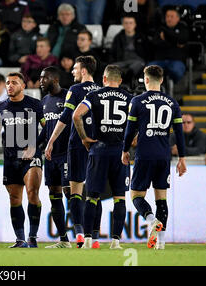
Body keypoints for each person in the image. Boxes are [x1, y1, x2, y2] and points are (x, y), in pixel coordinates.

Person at [122, 65, 187, 250]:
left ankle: (151, 220)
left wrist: (125, 150)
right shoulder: (172, 103)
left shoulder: (137, 101)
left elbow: (130, 130)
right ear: (163, 80)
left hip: (144, 155)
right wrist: (182, 158)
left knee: (136, 195)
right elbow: (180, 133)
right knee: (162, 199)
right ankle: (162, 242)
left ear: (146, 80)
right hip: (163, 156)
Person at [73, 65, 133, 250]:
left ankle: (89, 240)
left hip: (98, 151)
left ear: (104, 79)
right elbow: (138, 124)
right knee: (119, 198)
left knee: (91, 197)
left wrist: (84, 138)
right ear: (120, 81)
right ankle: (116, 241)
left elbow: (76, 116)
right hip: (120, 153)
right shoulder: (130, 98)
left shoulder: (94, 95)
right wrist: (130, 142)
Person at [0, 72, 45, 248]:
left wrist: (34, 146)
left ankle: (32, 237)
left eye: (14, 83)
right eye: (8, 82)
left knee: (32, 192)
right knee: (14, 198)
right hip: (11, 158)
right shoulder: (1, 107)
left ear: (23, 86)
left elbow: (47, 128)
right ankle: (20, 240)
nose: (10, 85)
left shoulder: (34, 104)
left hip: (31, 156)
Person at [45, 55, 101, 248]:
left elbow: (66, 116)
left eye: (76, 68)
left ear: (84, 71)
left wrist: (50, 141)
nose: (73, 71)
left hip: (78, 144)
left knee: (75, 192)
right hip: (97, 147)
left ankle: (79, 236)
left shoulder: (75, 90)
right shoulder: (101, 91)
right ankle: (94, 239)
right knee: (94, 193)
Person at [39, 66, 71, 248]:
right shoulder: (44, 101)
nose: (41, 81)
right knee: (54, 195)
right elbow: (46, 129)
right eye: (40, 78)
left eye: (44, 78)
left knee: (70, 194)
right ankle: (63, 240)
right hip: (50, 157)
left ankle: (86, 235)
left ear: (55, 79)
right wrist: (34, 146)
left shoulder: (68, 97)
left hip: (67, 154)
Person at [149, 7, 189, 84]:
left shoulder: (183, 28)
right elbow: (155, 43)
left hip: (176, 60)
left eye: (172, 16)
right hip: (160, 60)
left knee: (176, 71)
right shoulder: (160, 28)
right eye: (167, 16)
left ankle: (173, 88)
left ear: (178, 18)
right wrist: (174, 42)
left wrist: (167, 37)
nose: (169, 19)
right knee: (149, 71)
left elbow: (182, 40)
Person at [110, 15, 148, 87]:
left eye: (130, 23)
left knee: (134, 67)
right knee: (112, 68)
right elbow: (113, 52)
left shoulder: (142, 37)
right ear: (123, 25)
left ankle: (128, 82)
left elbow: (147, 51)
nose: (128, 25)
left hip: (137, 61)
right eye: (126, 23)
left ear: (135, 24)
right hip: (122, 61)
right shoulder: (118, 37)